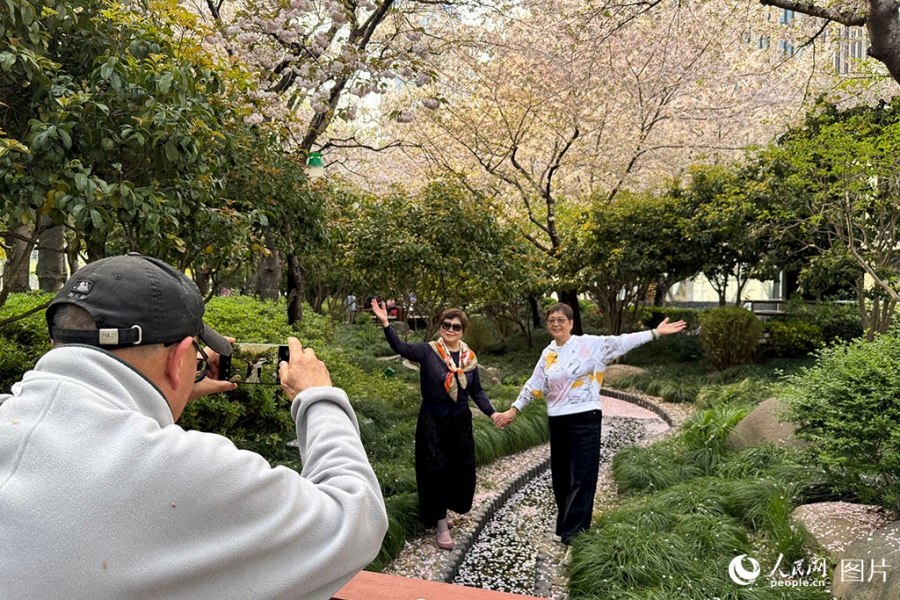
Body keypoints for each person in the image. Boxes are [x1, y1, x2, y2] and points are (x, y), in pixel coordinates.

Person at [0, 253, 388, 600]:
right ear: (180, 357)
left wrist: (168, 394)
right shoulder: (184, 466)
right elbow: (356, 520)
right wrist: (319, 396)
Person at [495, 303, 685, 545]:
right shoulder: (548, 353)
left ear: (571, 323)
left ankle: (575, 537)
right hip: (558, 419)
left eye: (561, 319)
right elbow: (535, 383)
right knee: (561, 476)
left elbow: (622, 341)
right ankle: (564, 526)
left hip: (585, 418)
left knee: (582, 476)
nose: (556, 324)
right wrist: (514, 409)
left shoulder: (590, 345)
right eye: (551, 320)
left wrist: (655, 332)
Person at [371, 299, 503, 550]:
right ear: (440, 326)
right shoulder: (427, 351)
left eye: (456, 326)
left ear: (463, 330)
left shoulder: (469, 359)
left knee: (460, 470)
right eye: (446, 325)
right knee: (435, 470)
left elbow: (477, 392)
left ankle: (444, 509)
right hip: (433, 421)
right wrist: (386, 322)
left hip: (461, 422)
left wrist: (493, 414)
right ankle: (440, 522)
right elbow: (400, 347)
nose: (450, 330)